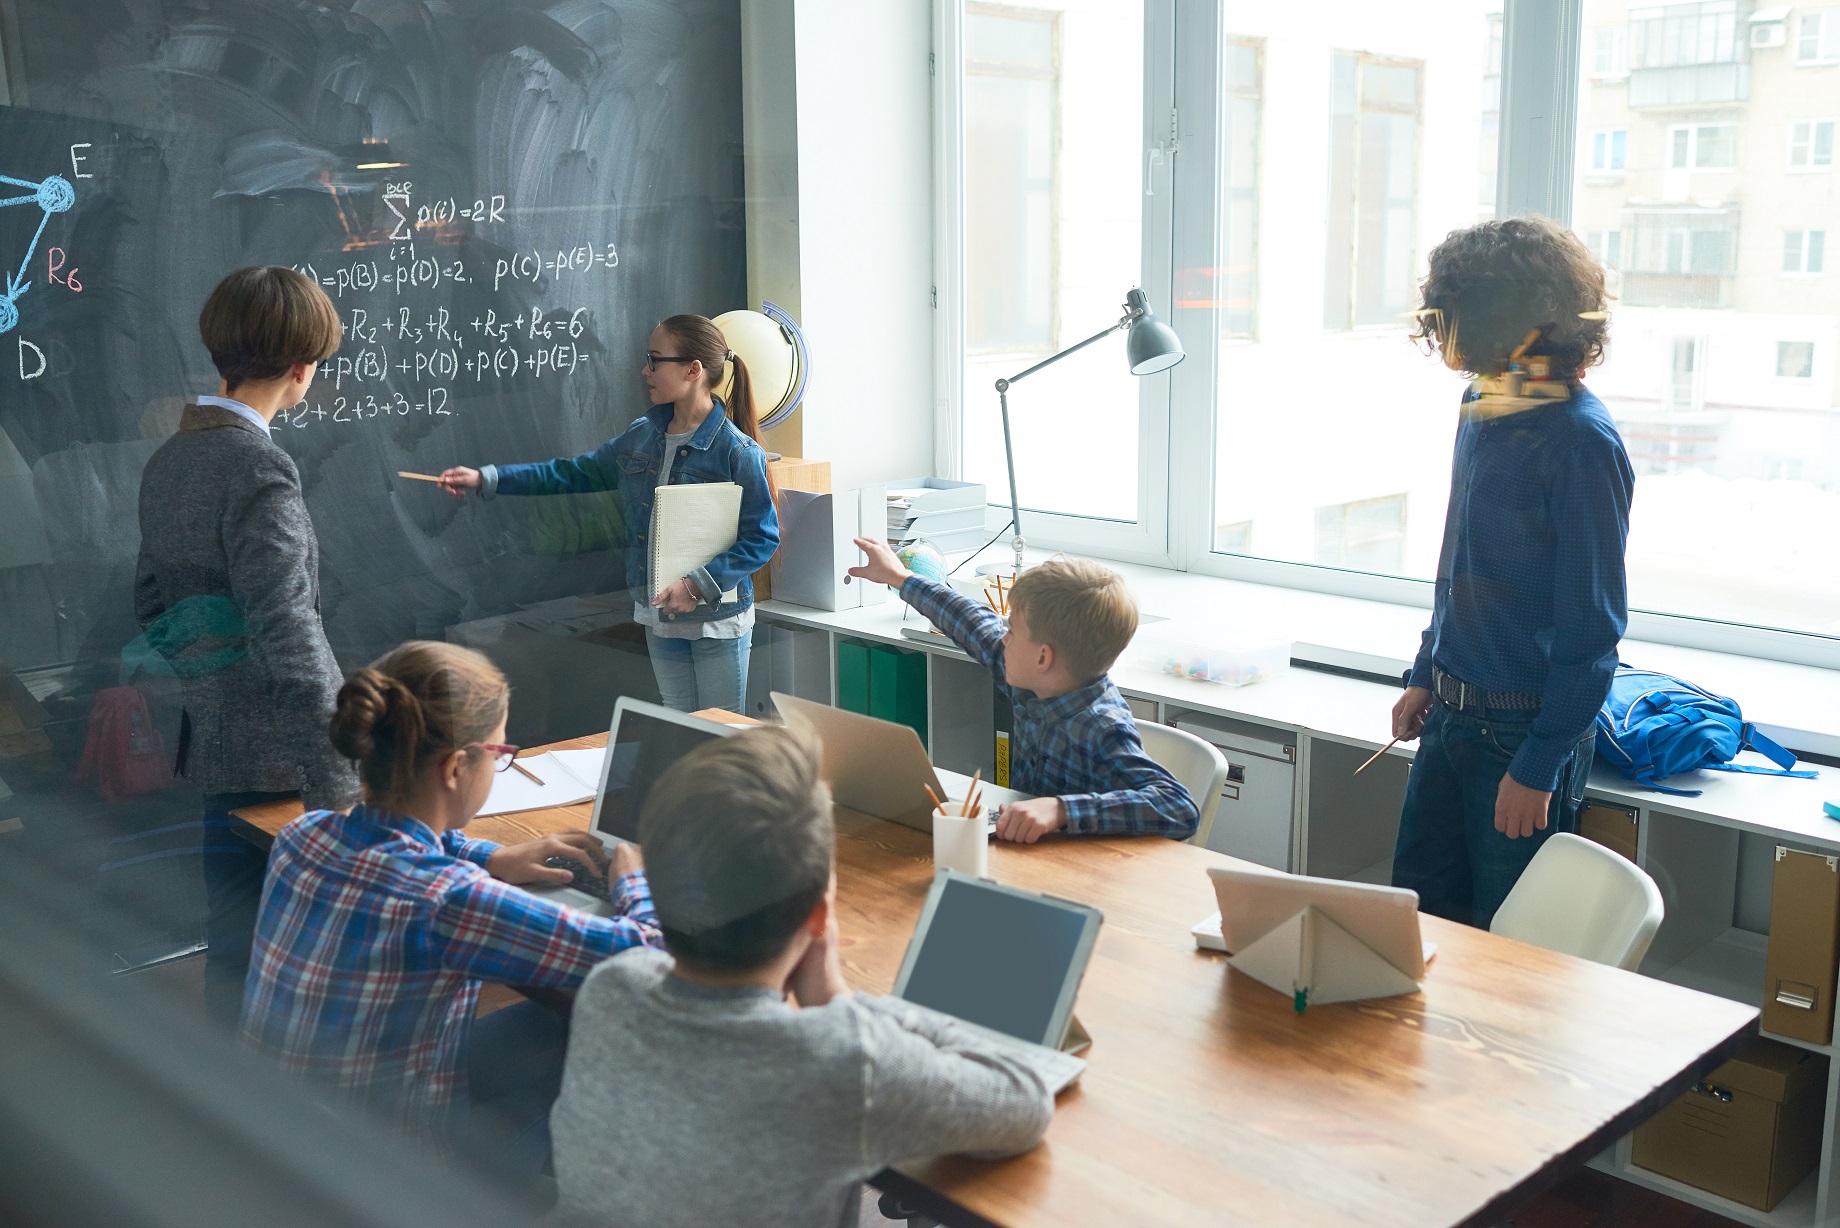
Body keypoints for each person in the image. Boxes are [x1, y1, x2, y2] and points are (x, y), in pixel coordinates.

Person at [549, 725, 1061, 1228]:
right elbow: (1024, 1099)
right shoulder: (841, 1060)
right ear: (818, 918)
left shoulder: (612, 988)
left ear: (651, 888)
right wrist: (835, 998)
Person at [239, 640, 659, 1184]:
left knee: (553, 1023)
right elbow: (645, 957)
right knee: (599, 1028)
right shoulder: (447, 899)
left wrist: (491, 854)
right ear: (457, 766)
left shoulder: (303, 836)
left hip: (276, 1141)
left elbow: (377, 829)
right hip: (387, 1176)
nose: (501, 763)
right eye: (501, 755)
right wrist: (635, 882)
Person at [1389, 215, 1634, 929]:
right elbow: (1458, 563)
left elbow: (1594, 631)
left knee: (1508, 952)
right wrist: (1425, 669)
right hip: (1450, 716)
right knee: (1419, 923)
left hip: (1521, 735)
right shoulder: (1483, 403)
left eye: (1457, 320)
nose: (1447, 341)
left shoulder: (1583, 444)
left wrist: (1537, 767)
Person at [135, 265, 360, 1028]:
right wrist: (342, 787)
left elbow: (153, 606)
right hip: (285, 765)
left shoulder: (171, 459)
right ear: (300, 371)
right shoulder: (259, 465)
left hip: (216, 745)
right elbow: (290, 628)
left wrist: (214, 686)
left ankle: (230, 1109)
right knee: (306, 972)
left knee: (234, 953)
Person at [439, 315, 778, 714]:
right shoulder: (641, 436)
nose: (644, 370)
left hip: (715, 619)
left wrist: (697, 585)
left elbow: (762, 537)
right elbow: (571, 473)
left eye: (655, 360)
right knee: (677, 721)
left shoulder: (737, 451)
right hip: (658, 612)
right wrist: (488, 478)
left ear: (693, 370)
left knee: (722, 732)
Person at [847, 547, 1197, 843]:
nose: (1002, 639)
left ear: (1043, 657)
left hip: (1081, 879)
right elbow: (972, 622)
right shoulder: (1034, 679)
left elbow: (1178, 806)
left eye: (1011, 630)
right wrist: (901, 579)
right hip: (1025, 854)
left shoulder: (1101, 727)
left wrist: (1060, 810)